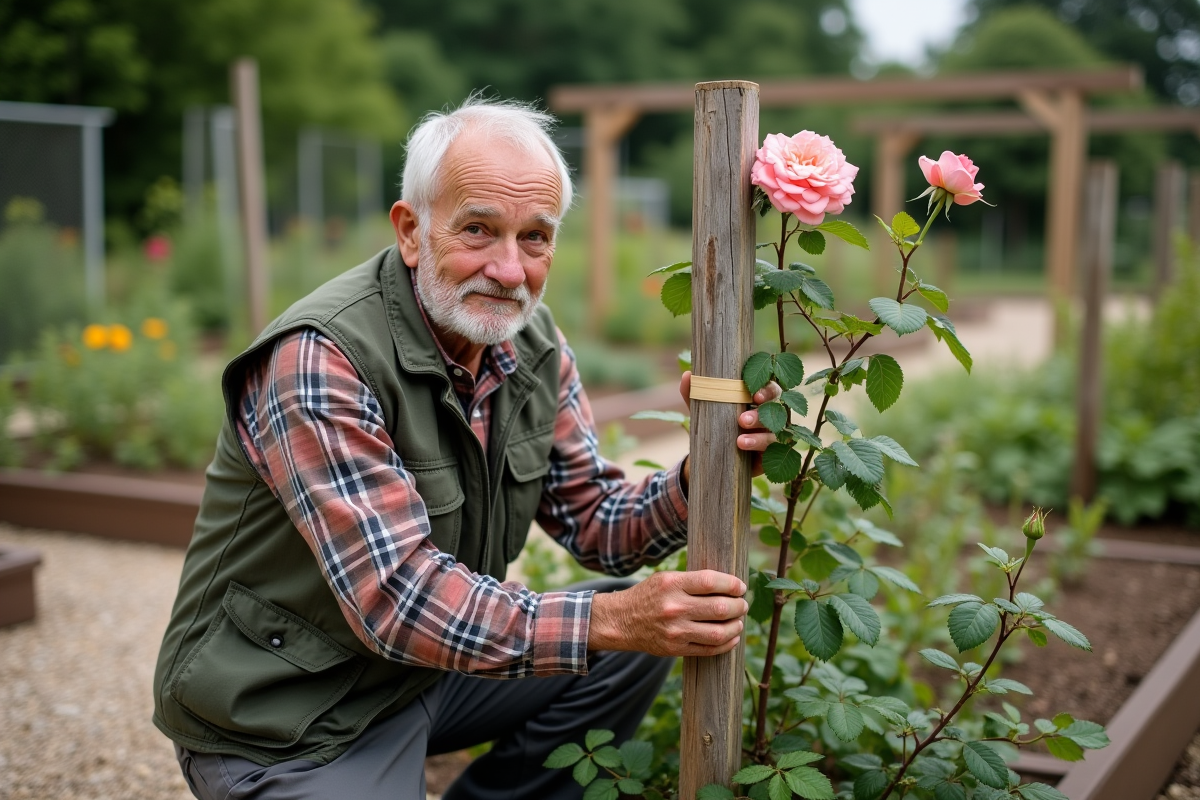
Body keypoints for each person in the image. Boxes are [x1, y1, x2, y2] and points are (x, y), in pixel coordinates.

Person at [152, 97, 778, 800]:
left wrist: (701, 474)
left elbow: (599, 523)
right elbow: (399, 599)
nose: (509, 270)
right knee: (612, 622)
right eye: (478, 229)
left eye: (535, 237)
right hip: (289, 712)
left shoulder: (532, 349)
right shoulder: (322, 358)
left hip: (423, 673)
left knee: (624, 652)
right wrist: (610, 620)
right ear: (411, 230)